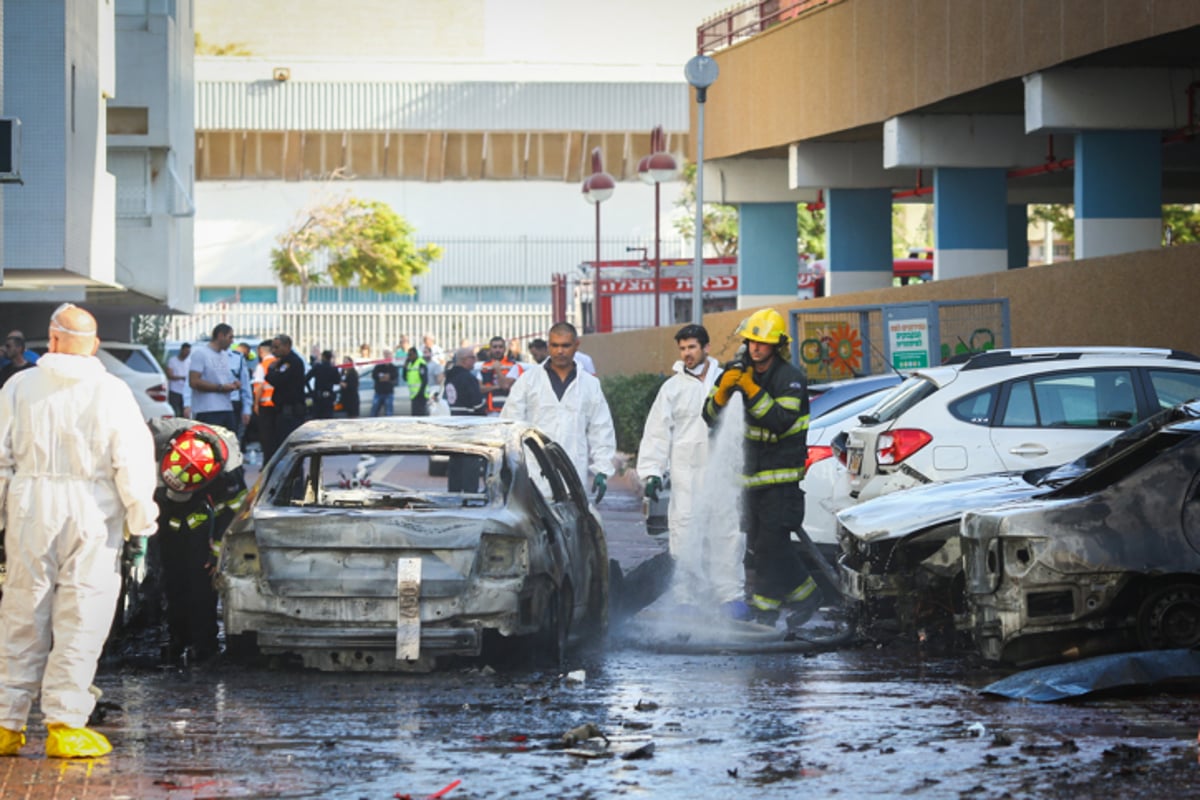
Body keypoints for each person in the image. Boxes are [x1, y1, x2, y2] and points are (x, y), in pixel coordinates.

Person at [0, 303, 157, 758]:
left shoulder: (18, 386)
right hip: (94, 509)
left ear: (50, 341)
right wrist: (140, 526)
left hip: (31, 504)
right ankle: (65, 724)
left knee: (22, 611)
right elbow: (132, 463)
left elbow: (2, 459)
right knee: (83, 613)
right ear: (94, 347)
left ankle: (8, 722)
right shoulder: (111, 391)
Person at [702, 308, 819, 630]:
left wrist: (752, 391)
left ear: (777, 345)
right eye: (752, 341)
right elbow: (710, 416)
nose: (755, 348)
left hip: (781, 478)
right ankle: (805, 596)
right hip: (750, 479)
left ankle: (766, 610)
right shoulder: (735, 371)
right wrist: (723, 392)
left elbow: (780, 422)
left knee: (771, 545)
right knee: (760, 546)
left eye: (763, 343)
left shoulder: (790, 379)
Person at [637, 324, 746, 616]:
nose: (687, 354)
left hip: (722, 472)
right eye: (683, 349)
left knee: (726, 531)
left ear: (706, 348)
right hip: (686, 474)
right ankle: (687, 598)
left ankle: (730, 596)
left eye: (692, 348)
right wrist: (651, 472)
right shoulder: (672, 389)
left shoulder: (726, 381)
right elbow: (657, 433)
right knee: (683, 533)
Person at [150, 419, 246, 665]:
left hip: (204, 523)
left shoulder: (230, 473)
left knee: (200, 580)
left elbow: (231, 515)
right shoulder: (155, 436)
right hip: (165, 511)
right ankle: (176, 638)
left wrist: (216, 554)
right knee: (171, 576)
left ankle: (204, 645)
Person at [501, 322, 615, 501]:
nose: (559, 351)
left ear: (576, 345)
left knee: (574, 527)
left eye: (565, 345)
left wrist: (602, 469)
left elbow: (601, 429)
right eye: (555, 345)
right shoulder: (528, 381)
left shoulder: (589, 385)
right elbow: (509, 425)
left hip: (573, 474)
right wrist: (507, 466)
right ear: (548, 346)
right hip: (533, 475)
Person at [189, 323, 240, 431]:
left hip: (226, 407)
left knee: (229, 442)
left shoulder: (225, 355)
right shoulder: (201, 354)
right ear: (220, 335)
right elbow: (194, 381)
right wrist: (219, 387)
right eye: (230, 337)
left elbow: (222, 378)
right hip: (207, 409)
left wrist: (234, 384)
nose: (232, 341)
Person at [264, 334, 307, 457]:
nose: (274, 351)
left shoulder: (292, 362)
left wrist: (271, 370)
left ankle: (296, 476)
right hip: (282, 411)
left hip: (290, 413)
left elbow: (277, 379)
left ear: (287, 346)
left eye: (277, 347)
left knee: (290, 450)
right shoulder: (283, 361)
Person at [250, 340, 276, 461]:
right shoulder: (278, 363)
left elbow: (259, 386)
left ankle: (267, 462)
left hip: (265, 405)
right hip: (278, 405)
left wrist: (255, 403)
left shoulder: (262, 366)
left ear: (261, 351)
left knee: (266, 437)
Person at [443, 348, 486, 416]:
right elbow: (477, 404)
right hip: (468, 419)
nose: (475, 360)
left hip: (451, 418)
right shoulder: (468, 378)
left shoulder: (449, 377)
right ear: (464, 360)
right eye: (472, 357)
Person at [479, 335, 515, 416]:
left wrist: (498, 370)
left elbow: (505, 385)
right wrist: (496, 387)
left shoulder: (512, 365)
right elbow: (479, 388)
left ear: (505, 349)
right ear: (490, 349)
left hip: (508, 410)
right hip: (490, 411)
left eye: (500, 347)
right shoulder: (485, 366)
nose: (497, 350)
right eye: (495, 347)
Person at [226, 341, 253, 441]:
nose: (231, 340)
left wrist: (247, 409)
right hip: (212, 406)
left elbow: (245, 385)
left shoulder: (237, 358)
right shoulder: (206, 356)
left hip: (233, 404)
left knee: (233, 439)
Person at [307, 350, 340, 419]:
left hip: (318, 397)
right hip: (328, 397)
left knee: (316, 419)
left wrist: (310, 391)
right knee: (328, 419)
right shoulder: (333, 369)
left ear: (323, 357)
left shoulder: (317, 367)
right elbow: (337, 381)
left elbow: (306, 379)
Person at [165, 343, 192, 417]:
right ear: (181, 350)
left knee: (184, 413)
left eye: (188, 352)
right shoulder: (172, 361)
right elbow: (170, 375)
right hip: (175, 390)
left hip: (185, 391)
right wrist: (181, 378)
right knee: (174, 411)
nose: (187, 353)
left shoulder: (189, 362)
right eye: (186, 351)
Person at [403, 347, 429, 416]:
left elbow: (425, 380)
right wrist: (405, 367)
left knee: (421, 416)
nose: (409, 357)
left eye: (410, 355)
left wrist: (420, 393)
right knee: (414, 416)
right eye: (408, 355)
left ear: (415, 354)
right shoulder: (410, 365)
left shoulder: (421, 363)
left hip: (421, 395)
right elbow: (405, 378)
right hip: (414, 395)